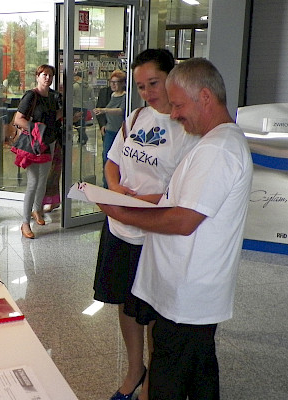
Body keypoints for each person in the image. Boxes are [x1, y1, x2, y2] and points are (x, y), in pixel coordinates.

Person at [98, 57, 253, 399]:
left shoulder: (217, 149)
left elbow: (183, 220)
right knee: (199, 375)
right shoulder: (217, 143)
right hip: (189, 294)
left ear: (206, 98)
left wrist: (122, 213)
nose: (176, 114)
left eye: (180, 105)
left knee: (169, 379)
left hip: (188, 295)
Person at [93, 49, 199, 400]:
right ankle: (134, 370)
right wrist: (115, 188)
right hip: (120, 227)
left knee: (153, 310)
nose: (148, 92)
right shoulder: (137, 117)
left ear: (172, 78)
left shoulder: (187, 129)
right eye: (140, 86)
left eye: (153, 83)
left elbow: (179, 192)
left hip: (154, 233)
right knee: (125, 302)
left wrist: (138, 202)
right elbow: (113, 161)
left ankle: (153, 379)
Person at [12, 64, 63, 239]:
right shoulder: (31, 96)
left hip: (49, 142)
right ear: (38, 76)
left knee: (43, 180)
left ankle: (37, 210)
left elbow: (53, 117)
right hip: (34, 145)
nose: (47, 78)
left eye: (50, 75)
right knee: (33, 183)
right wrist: (37, 130)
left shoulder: (54, 96)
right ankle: (25, 222)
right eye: (44, 75)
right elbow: (18, 119)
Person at [93, 69, 128, 186]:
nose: (113, 84)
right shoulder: (108, 94)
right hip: (109, 130)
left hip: (121, 131)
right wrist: (103, 124)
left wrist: (104, 110)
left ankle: (118, 183)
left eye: (116, 82)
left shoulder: (126, 97)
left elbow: (121, 111)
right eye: (111, 82)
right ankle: (107, 183)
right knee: (107, 156)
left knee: (120, 158)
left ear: (123, 83)